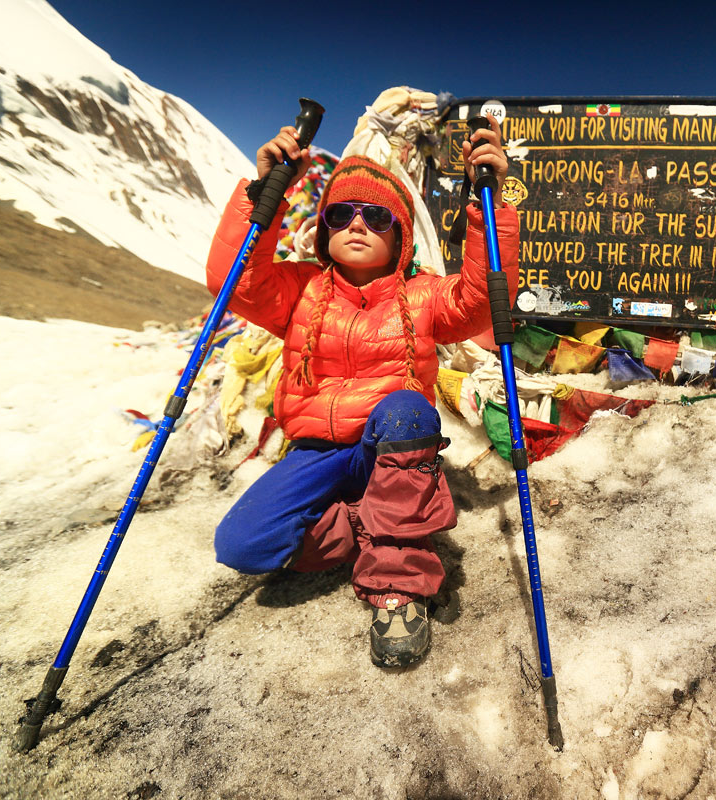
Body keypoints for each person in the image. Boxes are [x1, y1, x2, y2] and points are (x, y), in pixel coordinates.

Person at [204, 114, 518, 667]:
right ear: (324, 228)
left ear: (398, 234)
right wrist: (270, 192)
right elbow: (234, 281)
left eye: (375, 216)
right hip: (317, 451)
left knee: (404, 408)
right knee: (243, 547)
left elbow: (478, 299)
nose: (357, 223)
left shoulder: (421, 295)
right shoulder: (298, 290)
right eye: (340, 213)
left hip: (390, 444)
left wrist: (487, 208)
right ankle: (370, 519)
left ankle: (399, 585)